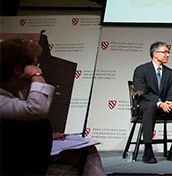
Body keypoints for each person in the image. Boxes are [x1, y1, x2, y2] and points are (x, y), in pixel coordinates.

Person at [0, 38, 105, 176]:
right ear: (18, 69)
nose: (38, 69)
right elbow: (36, 109)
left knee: (86, 152)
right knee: (78, 169)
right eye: (34, 65)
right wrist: (36, 75)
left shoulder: (14, 94)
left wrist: (43, 138)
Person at [133, 41, 172, 163]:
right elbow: (142, 92)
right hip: (147, 105)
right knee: (150, 107)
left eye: (168, 52)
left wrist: (169, 102)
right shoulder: (141, 70)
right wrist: (159, 103)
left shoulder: (170, 73)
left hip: (164, 107)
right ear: (155, 53)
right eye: (165, 52)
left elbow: (171, 92)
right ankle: (148, 149)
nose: (167, 55)